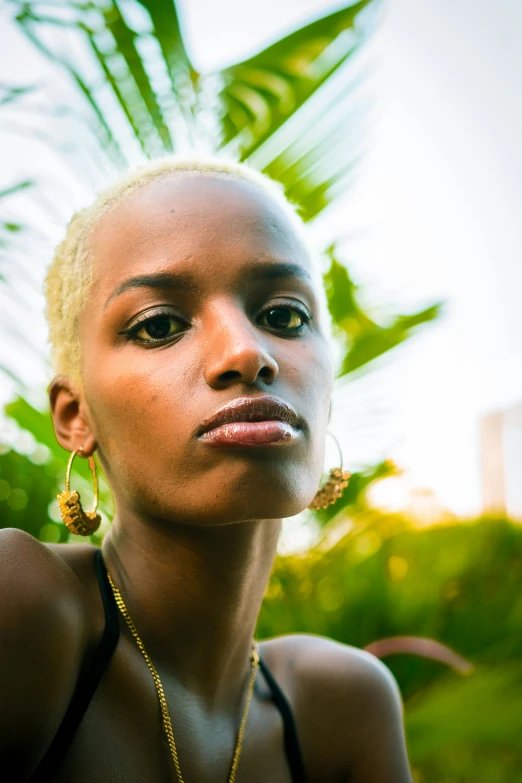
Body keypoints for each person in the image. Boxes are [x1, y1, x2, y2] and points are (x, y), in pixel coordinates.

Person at [0, 156, 414, 782]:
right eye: (160, 325)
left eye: (284, 317)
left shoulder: (343, 707)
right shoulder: (22, 602)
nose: (247, 351)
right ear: (75, 414)